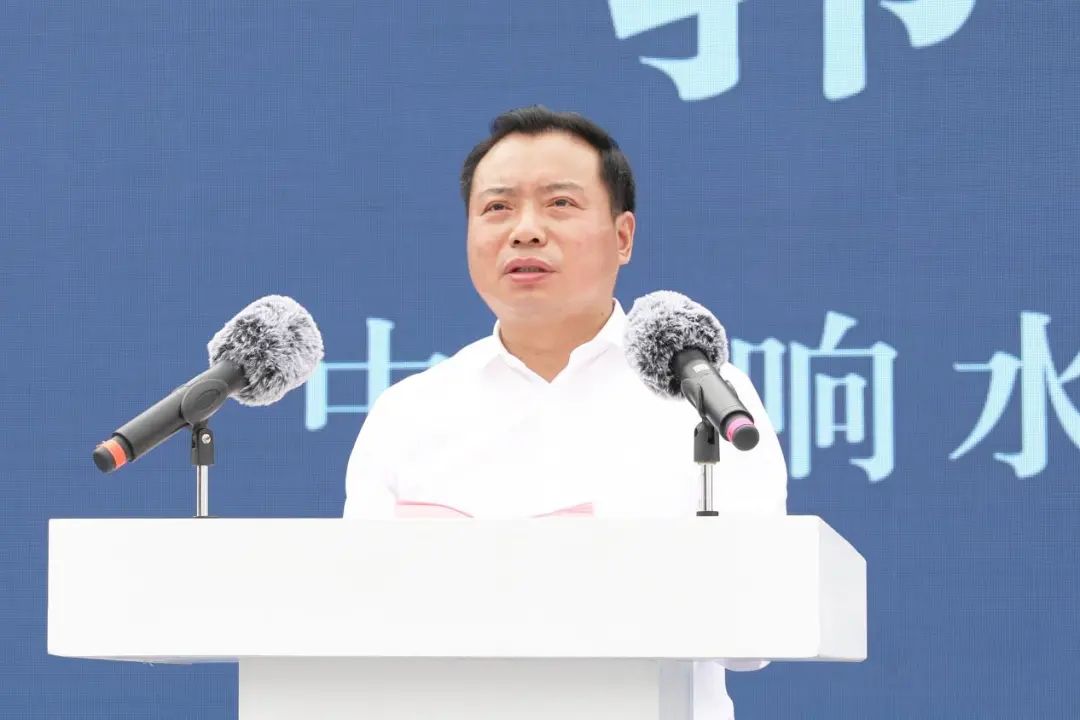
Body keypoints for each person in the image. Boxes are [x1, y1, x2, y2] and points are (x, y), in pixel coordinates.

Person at [343, 105, 788, 719]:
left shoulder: (704, 397)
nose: (525, 231)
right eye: (497, 208)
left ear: (623, 237)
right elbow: (355, 615)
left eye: (559, 204)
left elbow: (755, 630)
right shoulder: (409, 412)